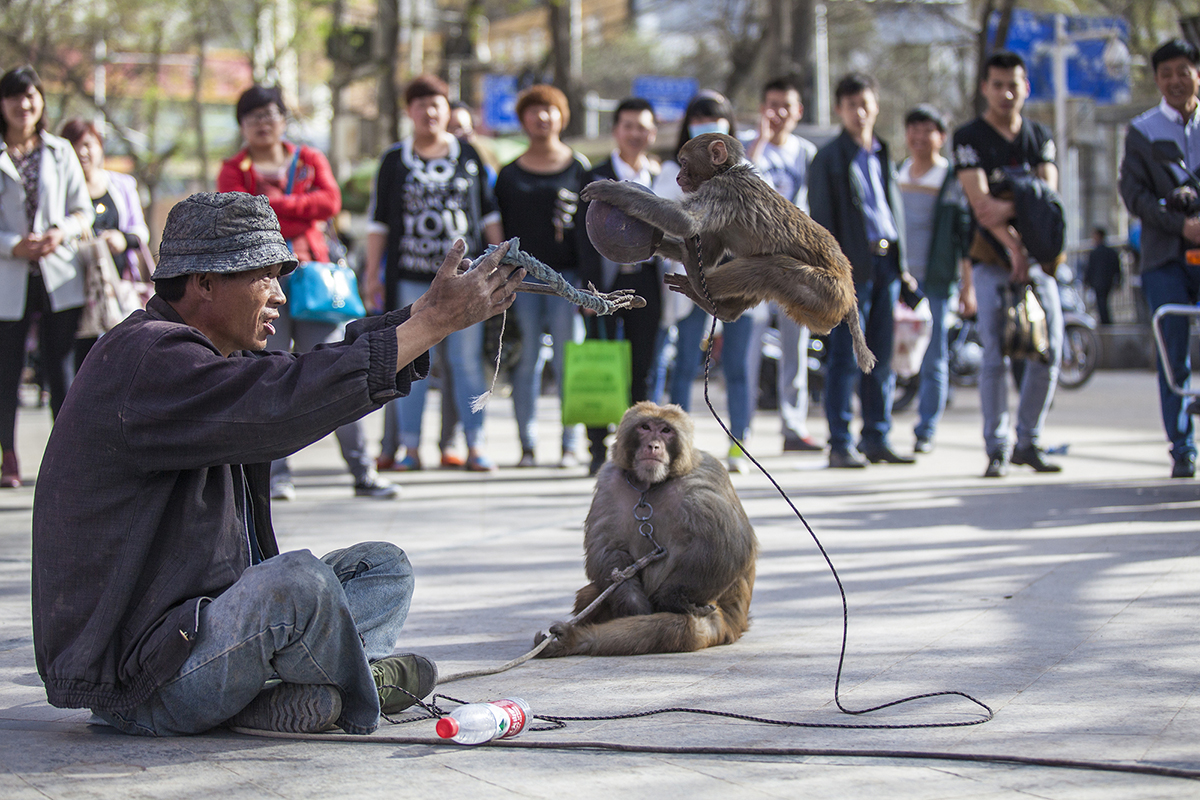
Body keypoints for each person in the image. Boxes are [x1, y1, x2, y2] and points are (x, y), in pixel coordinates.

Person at [31, 191, 525, 736]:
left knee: (383, 568)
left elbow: (308, 372)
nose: (280, 297)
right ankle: (357, 689)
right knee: (298, 584)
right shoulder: (146, 359)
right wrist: (430, 323)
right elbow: (285, 402)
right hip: (145, 680)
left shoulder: (212, 356)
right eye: (264, 277)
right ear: (204, 283)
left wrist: (426, 317)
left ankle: (268, 698)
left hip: (204, 635)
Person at [216, 85, 396, 500]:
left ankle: (362, 471)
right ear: (242, 125)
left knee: (338, 371)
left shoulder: (310, 158)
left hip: (314, 281)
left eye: (269, 114)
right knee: (267, 377)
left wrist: (273, 204)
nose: (262, 123)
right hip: (258, 286)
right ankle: (274, 476)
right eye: (253, 116)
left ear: (283, 119)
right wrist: (298, 205)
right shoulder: (233, 168)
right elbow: (236, 211)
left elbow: (329, 203)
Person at [362, 74, 503, 473]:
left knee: (465, 362)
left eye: (436, 103)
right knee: (410, 360)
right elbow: (378, 223)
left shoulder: (469, 154)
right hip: (410, 277)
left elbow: (489, 214)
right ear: (409, 112)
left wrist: (504, 263)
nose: (429, 111)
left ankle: (475, 445)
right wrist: (372, 273)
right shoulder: (394, 159)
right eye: (420, 104)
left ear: (448, 109)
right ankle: (409, 448)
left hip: (467, 278)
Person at [954, 51, 1064, 478]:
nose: (1006, 92)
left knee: (1047, 351)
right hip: (992, 262)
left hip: (1040, 264)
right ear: (985, 87)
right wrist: (1016, 244)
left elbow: (1047, 200)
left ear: (1026, 87)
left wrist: (1013, 203)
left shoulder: (1039, 136)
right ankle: (996, 446)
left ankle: (1029, 440)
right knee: (995, 356)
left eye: (1014, 84)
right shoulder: (969, 137)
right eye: (997, 84)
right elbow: (982, 207)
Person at [650, 91, 769, 473]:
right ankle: (679, 445)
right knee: (685, 363)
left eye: (715, 120)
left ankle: (739, 444)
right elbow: (665, 216)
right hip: (692, 284)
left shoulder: (750, 172)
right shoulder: (672, 173)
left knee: (737, 366)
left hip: (741, 281)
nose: (707, 127)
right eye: (699, 120)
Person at [809, 72, 914, 469]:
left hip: (887, 264)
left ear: (876, 105)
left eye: (865, 103)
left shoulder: (883, 151)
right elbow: (821, 224)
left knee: (882, 355)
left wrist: (903, 268)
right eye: (851, 105)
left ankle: (877, 436)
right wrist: (833, 273)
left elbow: (892, 212)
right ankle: (840, 442)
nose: (860, 111)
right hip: (849, 271)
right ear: (840, 109)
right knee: (845, 356)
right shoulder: (830, 158)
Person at [0, 66, 94, 489]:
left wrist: (62, 232)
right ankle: (8, 457)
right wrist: (12, 245)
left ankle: (68, 458)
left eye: (31, 96)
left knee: (61, 370)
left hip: (59, 274)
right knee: (6, 370)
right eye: (15, 96)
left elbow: (83, 209)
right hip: (10, 274)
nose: (24, 104)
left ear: (42, 101)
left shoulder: (59, 151)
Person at [494, 84, 589, 468]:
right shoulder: (508, 174)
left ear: (561, 116)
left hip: (569, 282)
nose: (541, 117)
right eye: (533, 111)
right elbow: (495, 230)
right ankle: (527, 445)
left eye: (549, 110)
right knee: (526, 360)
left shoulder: (580, 167)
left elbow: (591, 227)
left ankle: (570, 444)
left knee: (571, 361)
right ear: (522, 120)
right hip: (522, 280)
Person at [1119, 38, 1200, 479]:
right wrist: (1178, 223)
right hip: (1165, 255)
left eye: (1182, 71)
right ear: (1156, 79)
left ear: (1196, 73)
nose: (1174, 81)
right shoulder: (1142, 132)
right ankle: (1182, 447)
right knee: (1173, 351)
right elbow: (1133, 195)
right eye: (1165, 74)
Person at [578, 97, 662, 475]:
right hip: (604, 286)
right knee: (600, 364)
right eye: (628, 126)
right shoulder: (595, 177)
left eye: (642, 127)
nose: (635, 133)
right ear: (616, 131)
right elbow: (581, 238)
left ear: (652, 133)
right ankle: (597, 446)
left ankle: (637, 447)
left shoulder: (662, 178)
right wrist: (587, 290)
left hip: (646, 283)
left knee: (641, 367)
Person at [745, 76, 821, 454]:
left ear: (798, 111)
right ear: (762, 108)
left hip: (794, 263)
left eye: (786, 107)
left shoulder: (806, 152)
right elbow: (743, 186)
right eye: (771, 105)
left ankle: (793, 426)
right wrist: (758, 141)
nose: (778, 114)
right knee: (750, 343)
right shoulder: (746, 145)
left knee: (796, 344)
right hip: (754, 263)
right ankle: (741, 427)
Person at [896, 105, 975, 454]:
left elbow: (966, 237)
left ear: (941, 137)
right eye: (913, 129)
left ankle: (926, 429)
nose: (918, 136)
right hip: (899, 280)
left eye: (927, 130)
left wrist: (967, 286)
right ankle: (878, 426)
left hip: (937, 282)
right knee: (888, 353)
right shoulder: (898, 172)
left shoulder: (951, 180)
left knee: (933, 358)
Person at [60, 117, 153, 365]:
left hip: (117, 289)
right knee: (78, 360)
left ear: (100, 147)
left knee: (121, 356)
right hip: (73, 290)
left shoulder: (122, 184)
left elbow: (140, 232)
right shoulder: (59, 191)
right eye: (73, 145)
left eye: (88, 144)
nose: (82, 152)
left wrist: (122, 239)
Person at [1082, 226, 1122, 325]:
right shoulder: (1111, 252)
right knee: (1103, 302)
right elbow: (1117, 268)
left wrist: (1086, 281)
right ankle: (1105, 320)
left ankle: (1105, 321)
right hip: (1107, 281)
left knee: (1101, 302)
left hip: (1098, 281)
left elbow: (1090, 268)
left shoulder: (1095, 252)